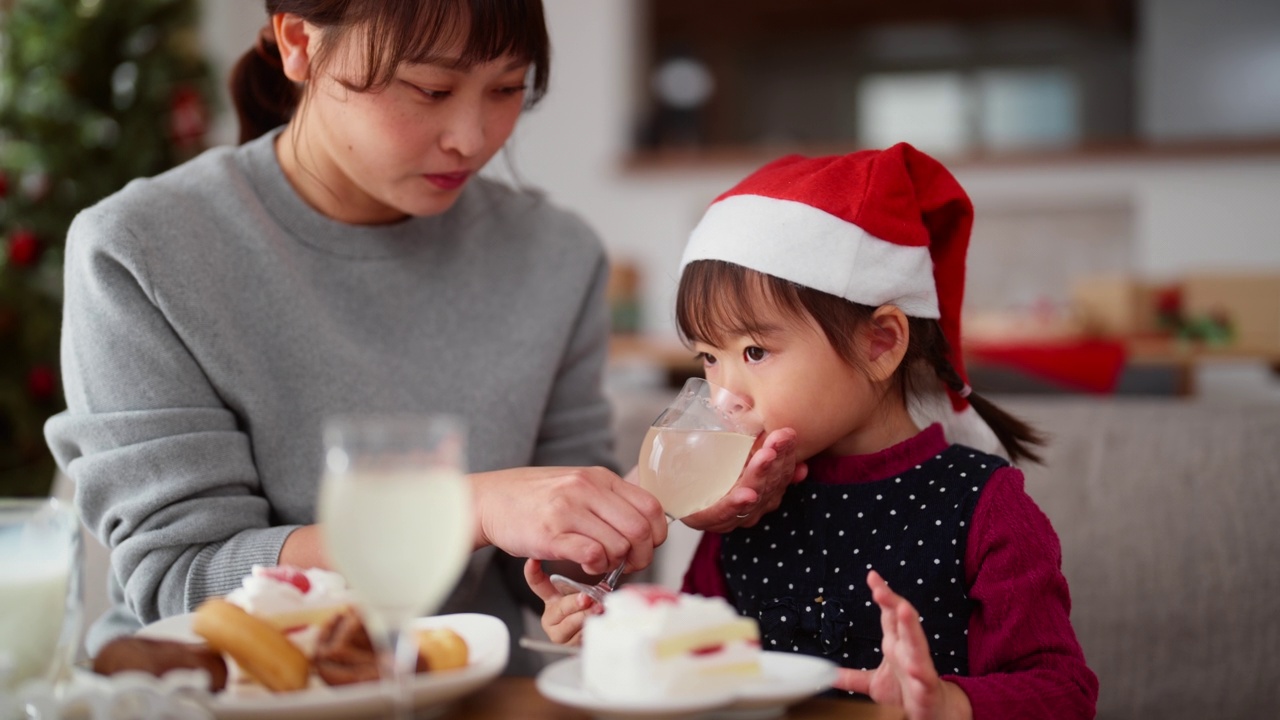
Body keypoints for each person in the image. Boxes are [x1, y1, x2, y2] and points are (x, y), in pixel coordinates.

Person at [43, 0, 799, 674]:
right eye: (429, 90)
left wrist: (634, 516)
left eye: (508, 89)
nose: (471, 137)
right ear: (300, 42)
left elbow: (559, 589)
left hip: (465, 692)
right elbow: (179, 580)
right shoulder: (140, 250)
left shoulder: (553, 254)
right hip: (216, 693)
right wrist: (462, 511)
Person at [529, 143, 1099, 717]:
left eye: (754, 351)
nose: (724, 395)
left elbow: (1064, 693)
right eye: (708, 357)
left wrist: (948, 703)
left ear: (881, 344)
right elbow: (692, 659)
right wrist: (619, 633)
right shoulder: (742, 503)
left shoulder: (982, 505)